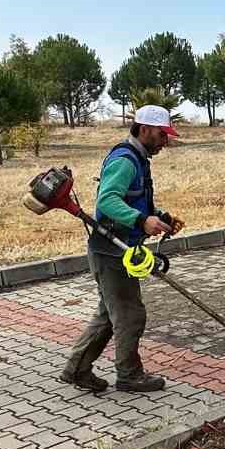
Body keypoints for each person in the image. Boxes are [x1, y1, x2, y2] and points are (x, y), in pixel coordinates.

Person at [60, 105, 185, 393]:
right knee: (130, 315)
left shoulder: (139, 160)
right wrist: (141, 221)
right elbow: (107, 201)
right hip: (111, 251)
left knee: (108, 314)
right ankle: (129, 375)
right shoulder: (126, 160)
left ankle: (77, 369)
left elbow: (133, 200)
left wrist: (160, 217)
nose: (165, 141)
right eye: (161, 135)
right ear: (144, 130)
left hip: (116, 249)